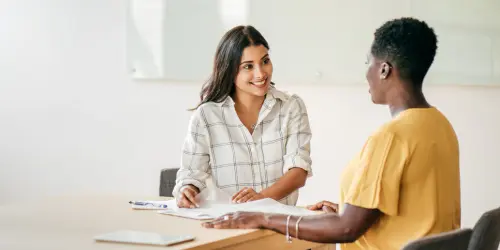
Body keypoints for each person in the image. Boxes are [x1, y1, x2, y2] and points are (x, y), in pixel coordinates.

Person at [201, 17, 461, 250]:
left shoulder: (392, 138)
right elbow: (409, 213)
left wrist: (264, 217)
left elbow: (347, 230)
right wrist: (343, 212)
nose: (366, 73)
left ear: (384, 70)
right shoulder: (440, 125)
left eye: (368, 63)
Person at [173, 25, 313, 209]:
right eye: (248, 66)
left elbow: (298, 170)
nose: (261, 73)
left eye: (265, 61)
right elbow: (191, 173)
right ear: (230, 71)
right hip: (226, 224)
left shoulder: (290, 107)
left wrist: (260, 199)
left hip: (278, 224)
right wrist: (187, 190)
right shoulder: (207, 116)